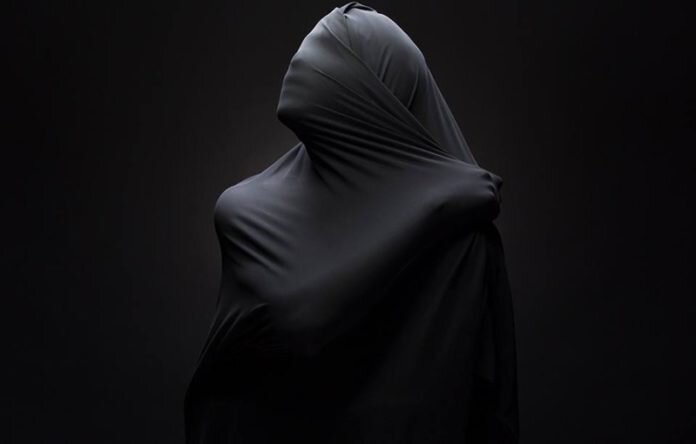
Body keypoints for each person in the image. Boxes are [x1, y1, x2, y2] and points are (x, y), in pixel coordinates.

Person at [184, 2, 519, 442]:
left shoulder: (463, 242)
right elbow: (301, 321)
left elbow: (474, 400)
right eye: (315, 39)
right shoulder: (245, 212)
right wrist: (433, 210)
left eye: (331, 49)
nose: (301, 58)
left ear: (381, 92)